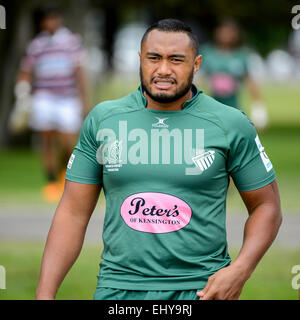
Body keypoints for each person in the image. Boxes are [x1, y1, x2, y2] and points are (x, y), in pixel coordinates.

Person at [36, 19, 282, 300]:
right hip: (119, 290)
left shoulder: (230, 123)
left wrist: (240, 270)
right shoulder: (104, 120)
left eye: (177, 60)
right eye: (154, 58)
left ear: (197, 64)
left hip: (203, 290)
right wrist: (44, 295)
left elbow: (266, 206)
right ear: (140, 59)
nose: (163, 70)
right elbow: (72, 213)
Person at [16, 5, 89, 202]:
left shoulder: (72, 42)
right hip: (44, 97)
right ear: (42, 22)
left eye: (54, 18)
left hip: (67, 97)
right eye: (47, 19)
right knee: (46, 140)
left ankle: (62, 172)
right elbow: (26, 71)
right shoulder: (36, 45)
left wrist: (84, 100)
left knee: (67, 141)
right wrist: (22, 93)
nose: (51, 23)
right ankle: (50, 181)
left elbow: (79, 72)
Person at [200, 18, 268, 130]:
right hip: (213, 105)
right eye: (223, 31)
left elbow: (251, 82)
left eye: (229, 32)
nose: (225, 35)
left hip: (234, 106)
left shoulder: (243, 55)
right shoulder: (208, 54)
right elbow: (198, 80)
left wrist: (258, 109)